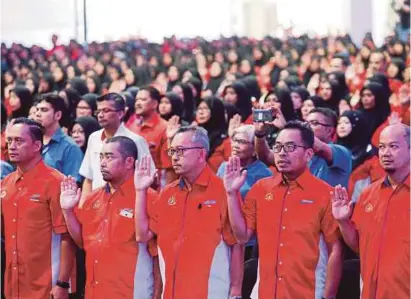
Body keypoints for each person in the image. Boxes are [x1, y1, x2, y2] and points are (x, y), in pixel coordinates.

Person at [224, 120, 343, 299]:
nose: (281, 153)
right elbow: (242, 236)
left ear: (309, 154)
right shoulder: (261, 189)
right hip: (264, 291)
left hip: (309, 292)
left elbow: (335, 249)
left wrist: (329, 295)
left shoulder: (325, 193)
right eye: (277, 147)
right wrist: (232, 194)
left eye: (290, 147)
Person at [134, 126, 243, 299]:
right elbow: (143, 235)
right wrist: (140, 190)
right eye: (172, 151)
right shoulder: (167, 193)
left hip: (211, 292)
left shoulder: (223, 190)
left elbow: (237, 244)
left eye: (181, 151)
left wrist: (236, 290)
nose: (175, 157)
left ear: (201, 154)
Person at [59, 136, 154, 299]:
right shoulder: (91, 198)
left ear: (129, 162)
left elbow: (156, 254)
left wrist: (158, 292)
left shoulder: (148, 198)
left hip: (132, 292)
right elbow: (82, 242)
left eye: (109, 157)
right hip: (95, 290)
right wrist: (67, 211)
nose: (102, 163)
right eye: (101, 157)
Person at [331, 123, 410, 299]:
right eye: (381, 147)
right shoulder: (368, 193)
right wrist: (343, 221)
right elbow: (360, 246)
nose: (386, 153)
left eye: (393, 146)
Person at [2, 117, 75, 299]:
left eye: (19, 141)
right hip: (14, 284)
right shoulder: (6, 184)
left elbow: (67, 237)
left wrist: (62, 283)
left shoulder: (56, 182)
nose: (11, 146)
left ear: (36, 146)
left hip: (47, 285)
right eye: (9, 140)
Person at [79, 92, 154, 196]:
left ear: (121, 113)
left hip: (127, 202)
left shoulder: (136, 141)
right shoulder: (94, 138)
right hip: (98, 203)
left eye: (106, 111)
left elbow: (149, 176)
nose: (100, 115)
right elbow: (89, 178)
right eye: (98, 111)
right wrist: (84, 206)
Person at [34, 93, 84, 182]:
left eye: (44, 110)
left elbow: (72, 183)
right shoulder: (32, 140)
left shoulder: (70, 147)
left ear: (58, 115)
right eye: (37, 110)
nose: (37, 114)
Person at [126, 86, 169, 173]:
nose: (138, 103)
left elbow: (168, 168)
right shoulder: (132, 126)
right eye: (136, 100)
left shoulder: (165, 128)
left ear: (155, 104)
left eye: (143, 99)